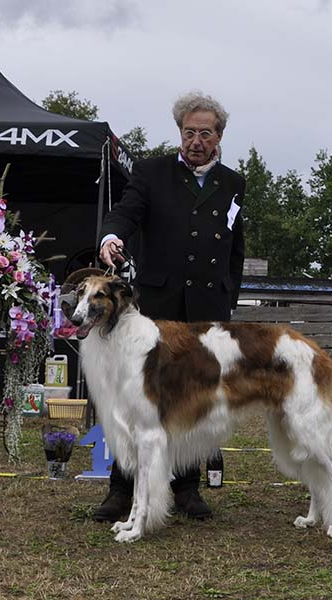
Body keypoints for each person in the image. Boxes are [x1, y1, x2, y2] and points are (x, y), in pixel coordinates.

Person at [93, 91, 245, 522]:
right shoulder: (151, 172)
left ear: (219, 136)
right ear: (180, 132)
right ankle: (121, 490)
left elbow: (235, 246)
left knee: (193, 396)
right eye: (189, 131)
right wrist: (111, 237)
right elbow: (124, 213)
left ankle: (188, 488)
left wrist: (228, 294)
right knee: (137, 397)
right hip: (156, 306)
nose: (197, 140)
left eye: (206, 132)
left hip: (206, 312)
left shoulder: (234, 183)